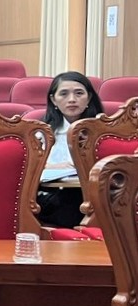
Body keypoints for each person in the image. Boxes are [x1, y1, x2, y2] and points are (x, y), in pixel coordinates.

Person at [38, 71, 104, 228]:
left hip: (95, 193)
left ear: (89, 98)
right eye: (64, 94)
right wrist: (51, 166)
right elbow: (27, 168)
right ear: (53, 99)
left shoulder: (103, 130)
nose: (72, 100)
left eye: (79, 93)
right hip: (55, 195)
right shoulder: (42, 131)